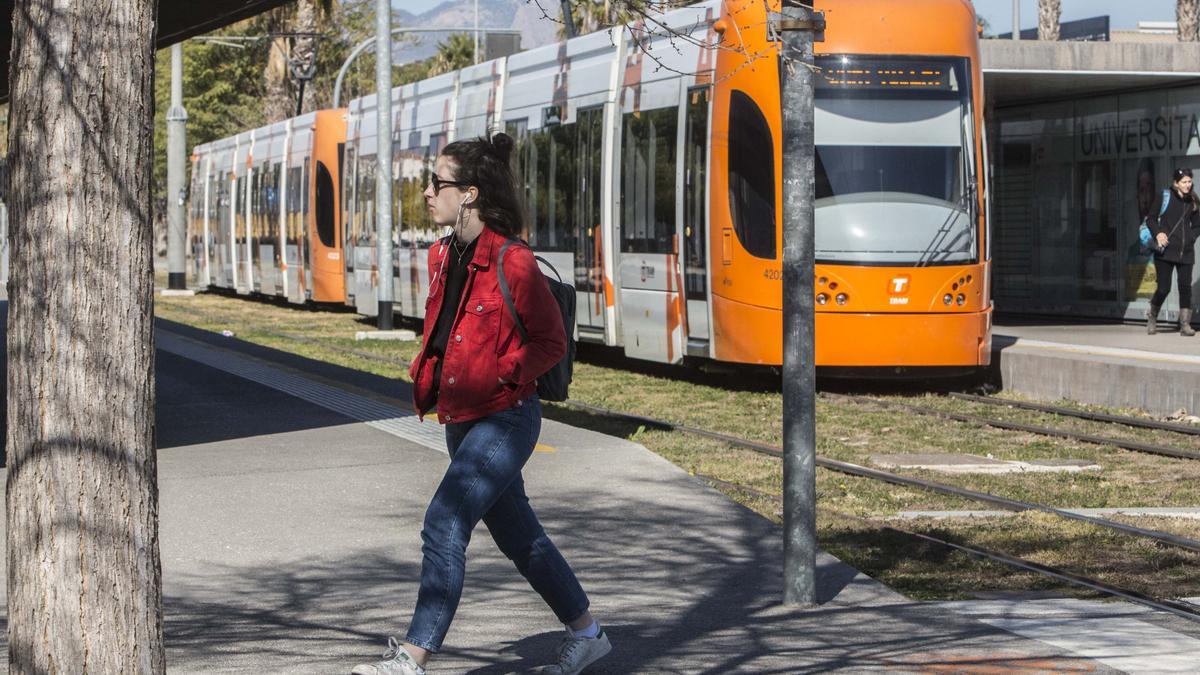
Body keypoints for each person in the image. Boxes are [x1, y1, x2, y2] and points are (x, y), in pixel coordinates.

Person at [351, 134, 611, 675]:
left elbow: (550, 343)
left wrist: (503, 372)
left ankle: (413, 655)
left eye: (437, 183)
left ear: (468, 194)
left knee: (444, 520)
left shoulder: (512, 261)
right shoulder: (443, 254)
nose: (426, 193)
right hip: (459, 417)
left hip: (506, 416)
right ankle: (588, 633)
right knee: (520, 535)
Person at [1148, 167, 1199, 336]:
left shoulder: (1193, 200)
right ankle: (1153, 314)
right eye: (1184, 182)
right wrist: (1158, 233)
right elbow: (1151, 219)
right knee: (1164, 288)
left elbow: (1198, 224)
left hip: (1186, 252)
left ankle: (1185, 325)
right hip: (1166, 252)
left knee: (1185, 288)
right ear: (1176, 183)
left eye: (1190, 181)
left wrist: (1191, 237)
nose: (1188, 185)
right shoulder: (1164, 196)